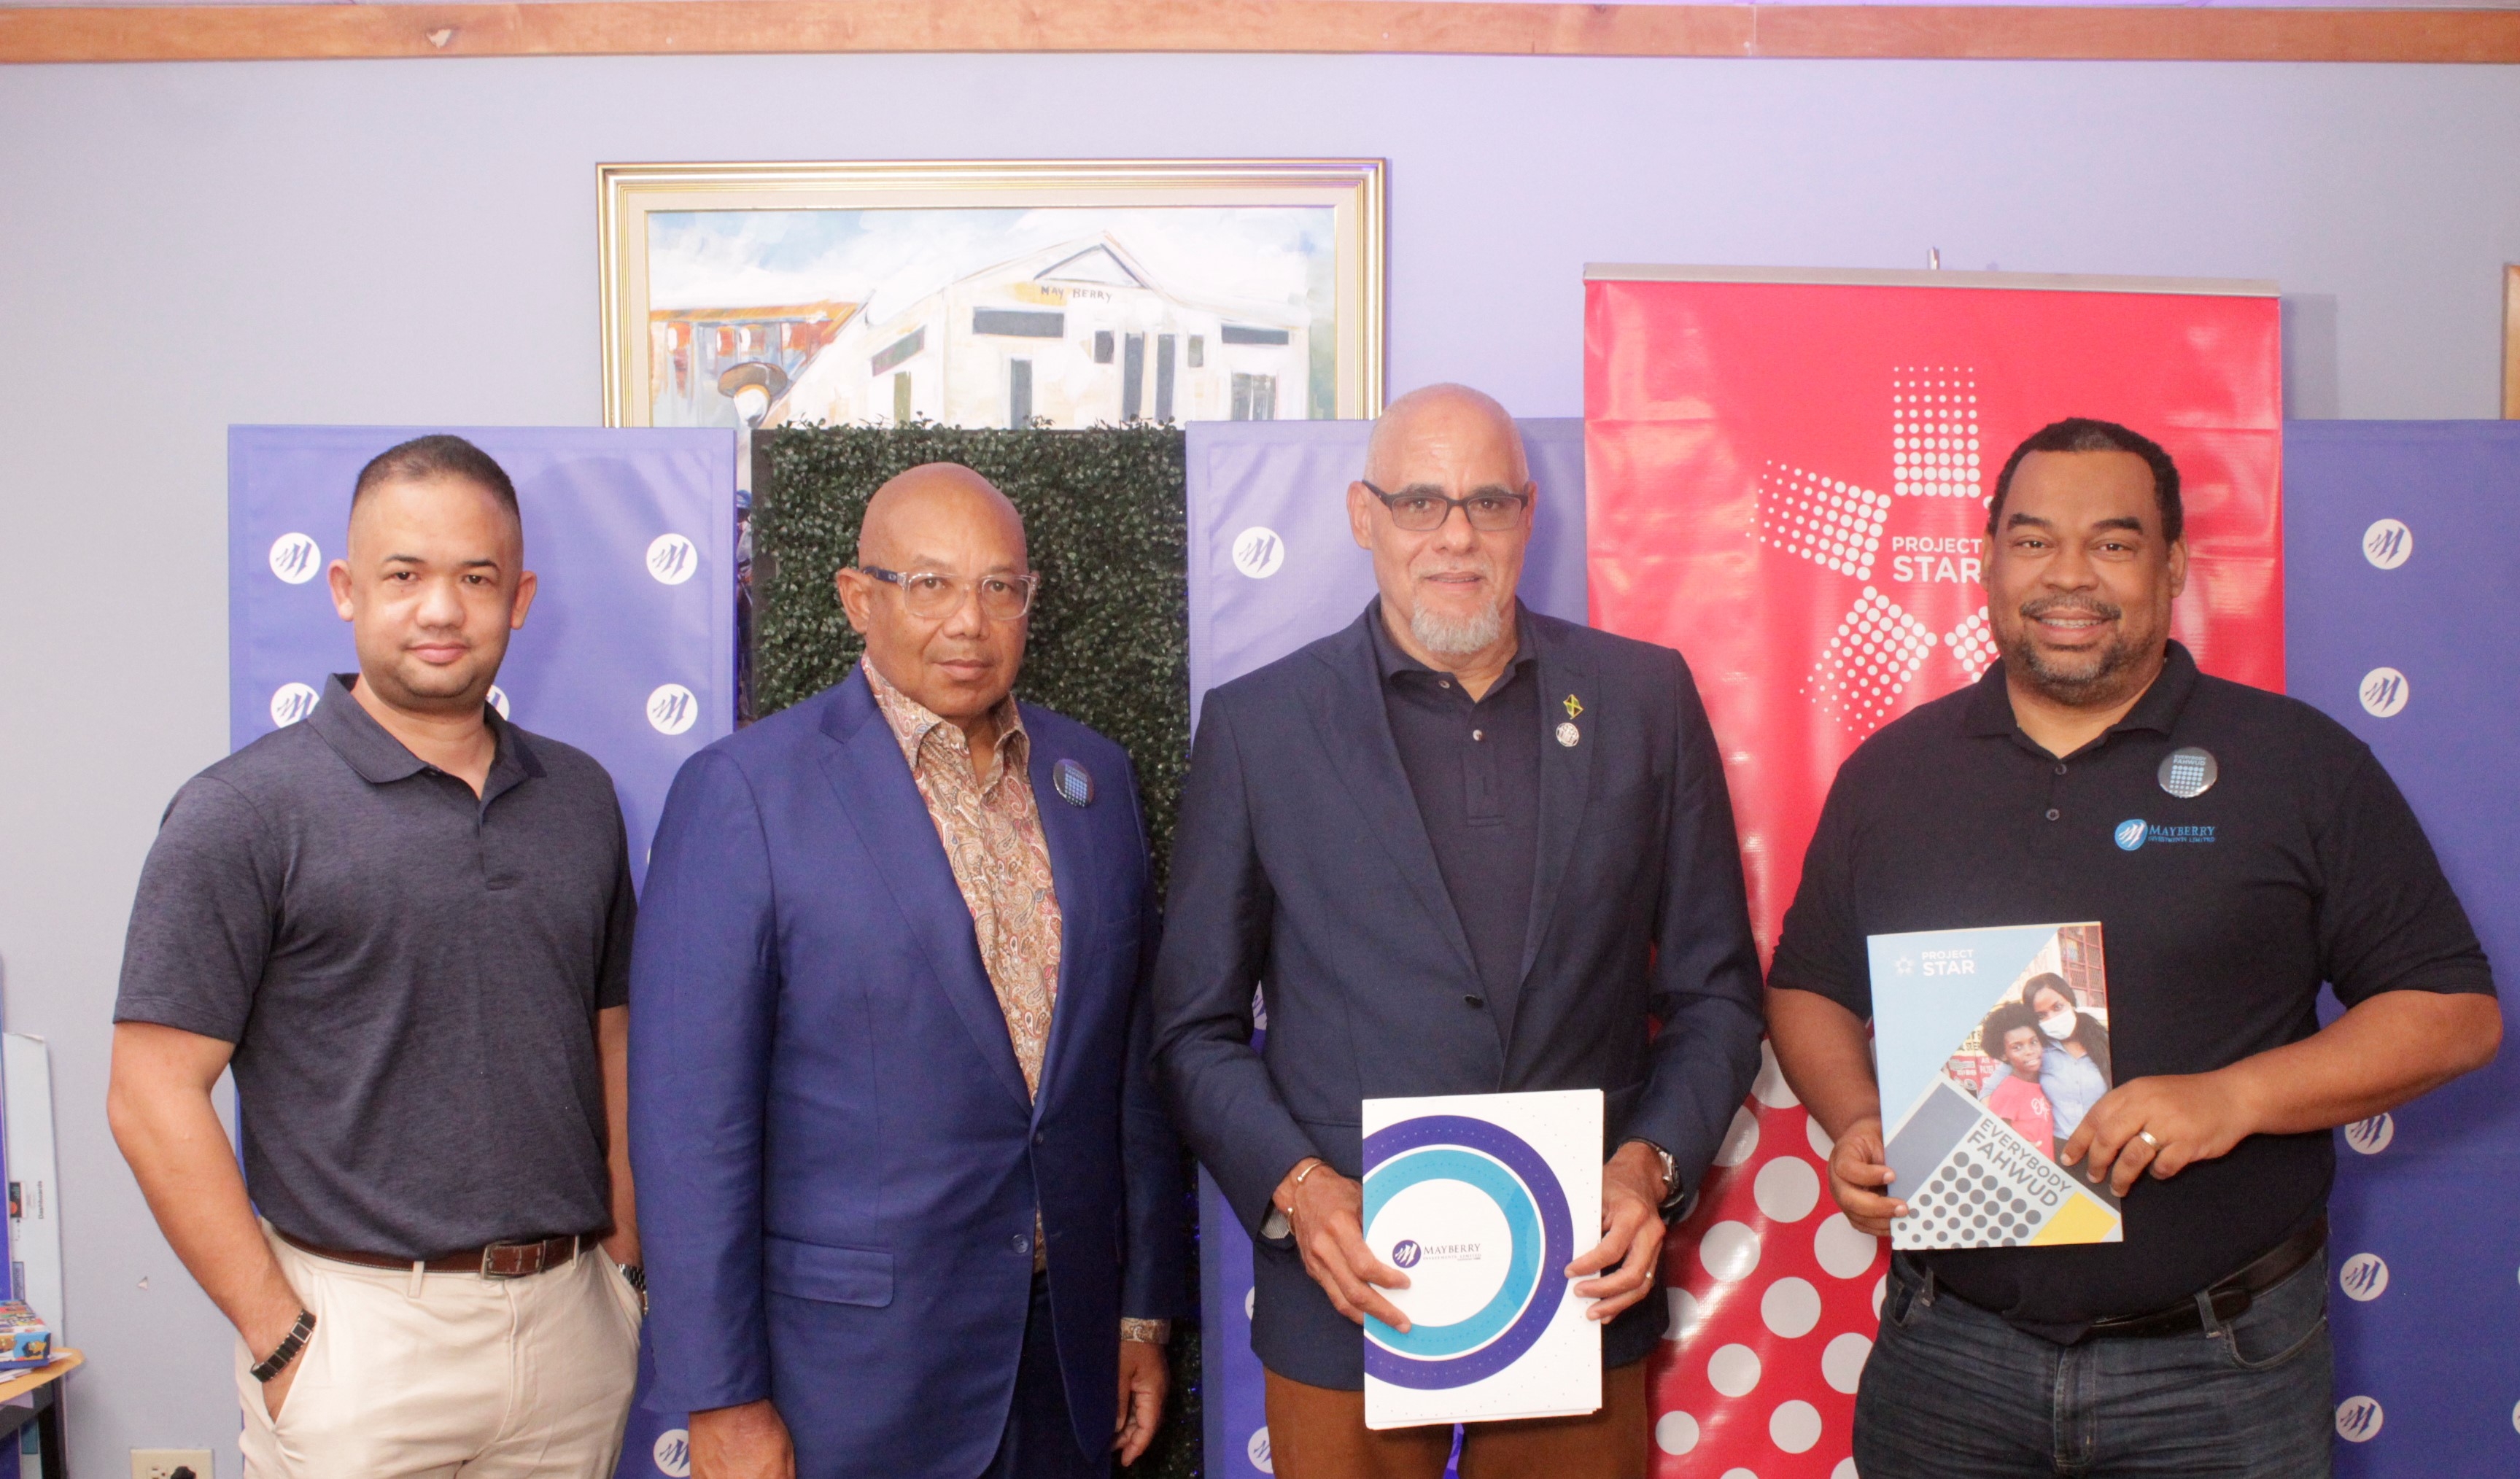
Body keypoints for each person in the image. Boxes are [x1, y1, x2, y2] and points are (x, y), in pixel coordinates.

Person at [1764, 416, 2500, 1478]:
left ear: (2172, 566)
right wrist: (1854, 1122)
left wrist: (2232, 1098)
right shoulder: (1892, 775)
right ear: (1984, 561)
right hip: (1947, 1358)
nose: (2068, 577)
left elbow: (2451, 1012)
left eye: (2111, 543)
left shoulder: (2297, 764)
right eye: (2031, 541)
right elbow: (1807, 989)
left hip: (2219, 1368)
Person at [1153, 384, 1765, 1479]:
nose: (1454, 535)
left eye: (1486, 502)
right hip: (1349, 1291)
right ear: (1360, 514)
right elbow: (1191, 1030)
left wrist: (1646, 1168)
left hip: (1575, 1280)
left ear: (1528, 515)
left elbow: (1718, 994)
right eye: (1419, 501)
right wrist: (1299, 1190)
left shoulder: (1643, 699)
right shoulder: (1259, 727)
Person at [630, 462, 1190, 1479]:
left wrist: (1141, 1314)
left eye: (998, 588)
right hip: (846, 1379)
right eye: (928, 584)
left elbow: (1129, 1076)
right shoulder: (745, 794)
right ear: (857, 598)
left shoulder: (1090, 782)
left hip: (1061, 1364)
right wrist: (717, 1393)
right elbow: (689, 1125)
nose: (968, 622)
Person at [107, 435, 645, 1478]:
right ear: (347, 590)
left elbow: (612, 1040)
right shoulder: (244, 812)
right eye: (403, 574)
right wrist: (282, 1337)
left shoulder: (580, 799)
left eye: (474, 578)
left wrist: (624, 1268)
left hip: (573, 1328)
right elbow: (149, 1092)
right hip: (357, 1340)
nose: (439, 609)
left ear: (520, 597)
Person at [2017, 972, 2109, 1139]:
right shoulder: (2036, 1050)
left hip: (2106, 1144)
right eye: (2041, 1015)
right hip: (2059, 1147)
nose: (2052, 1018)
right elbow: (1992, 1090)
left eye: (2057, 1007)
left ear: (2071, 1001)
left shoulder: (2104, 1042)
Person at [1975, 1002, 2059, 1160]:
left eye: (2033, 1042)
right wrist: (2018, 1147)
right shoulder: (2009, 1090)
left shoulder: (2040, 1084)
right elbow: (1995, 1132)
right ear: (2003, 1055)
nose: (2029, 1051)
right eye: (2017, 1047)